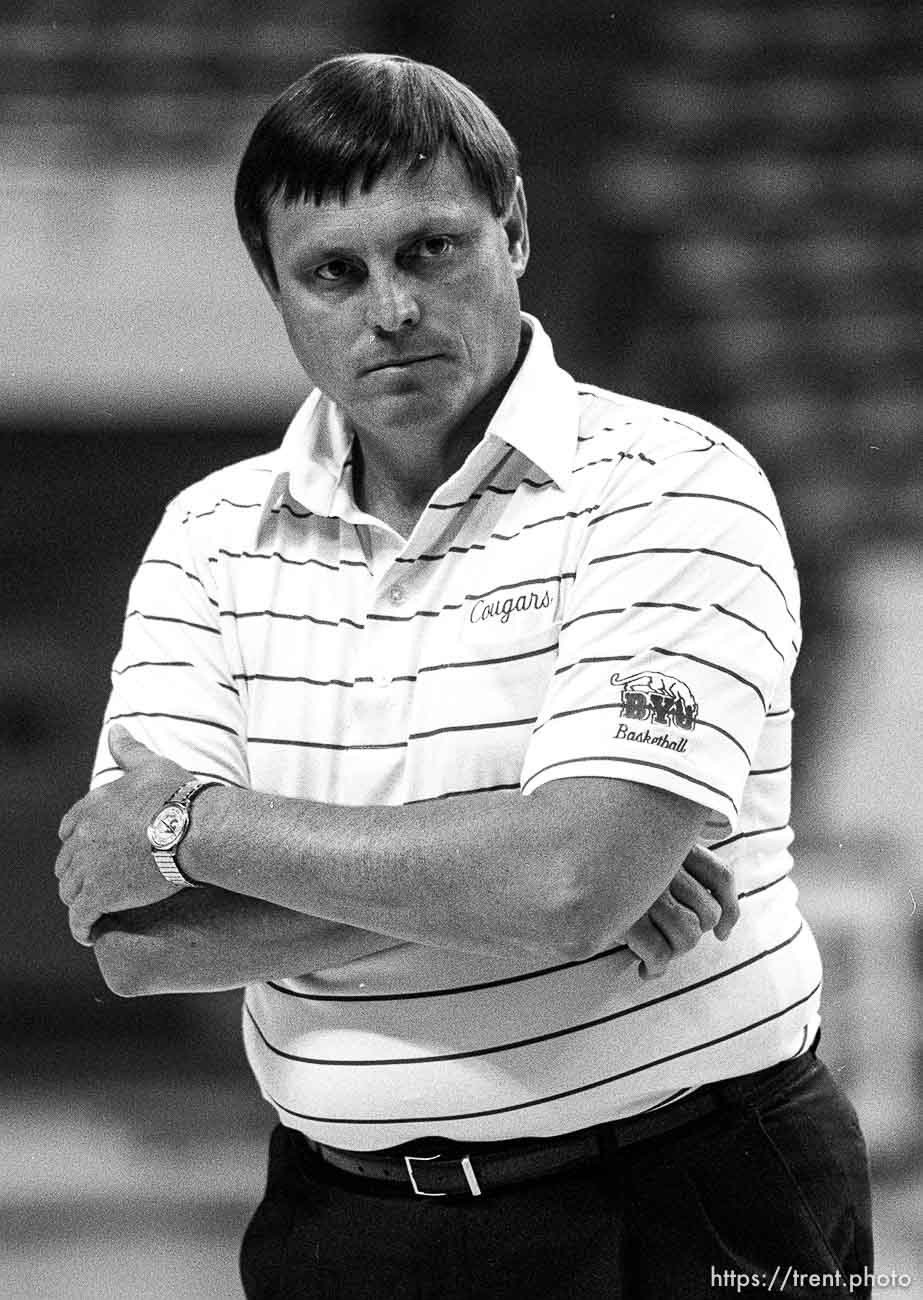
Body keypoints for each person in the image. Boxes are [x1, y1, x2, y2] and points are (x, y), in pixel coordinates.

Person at [55, 53, 872, 1299]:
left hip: (686, 1196)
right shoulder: (207, 536)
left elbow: (564, 878)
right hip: (344, 1223)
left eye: (429, 249)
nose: (389, 307)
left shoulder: (671, 484)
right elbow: (136, 938)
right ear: (276, 292)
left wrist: (194, 825)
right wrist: (522, 864)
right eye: (333, 270)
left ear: (516, 232)